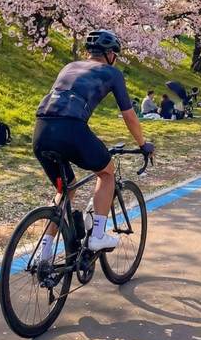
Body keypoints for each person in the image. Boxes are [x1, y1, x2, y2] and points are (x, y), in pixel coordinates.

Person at [34, 29, 154, 253]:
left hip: (41, 130)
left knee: (65, 188)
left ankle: (45, 253)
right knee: (106, 171)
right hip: (71, 129)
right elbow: (129, 115)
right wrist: (142, 144)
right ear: (110, 54)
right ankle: (97, 235)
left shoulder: (68, 67)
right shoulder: (111, 72)